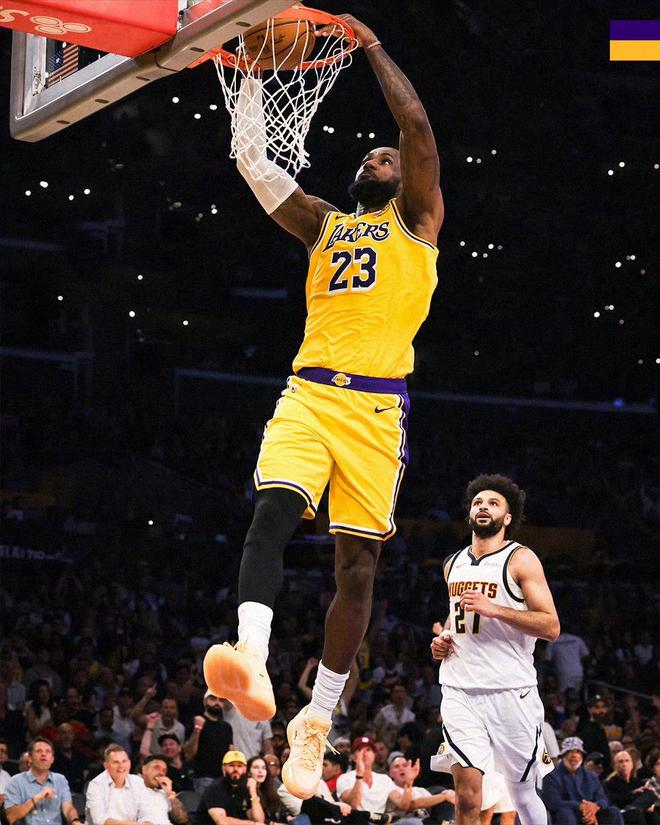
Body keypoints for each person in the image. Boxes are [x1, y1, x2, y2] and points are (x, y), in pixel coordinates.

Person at [203, 11, 444, 802]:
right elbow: (252, 158)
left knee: (356, 565)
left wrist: (370, 43)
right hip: (307, 392)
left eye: (386, 157)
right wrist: (245, 70)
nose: (377, 156)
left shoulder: (417, 222)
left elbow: (416, 126)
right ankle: (251, 655)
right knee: (271, 510)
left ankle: (317, 718)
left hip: (375, 411)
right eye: (369, 155)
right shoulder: (322, 226)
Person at [430, 474, 560, 825]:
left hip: (510, 691)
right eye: (478, 502)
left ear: (507, 517)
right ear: (470, 513)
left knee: (521, 793)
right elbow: (458, 615)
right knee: (467, 798)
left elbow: (551, 626)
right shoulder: (452, 563)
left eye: (493, 503)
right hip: (460, 690)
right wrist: (444, 639)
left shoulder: (521, 559)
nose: (483, 507)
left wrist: (495, 609)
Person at [542, 736, 624, 825]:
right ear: (563, 755)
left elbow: (602, 798)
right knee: (564, 813)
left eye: (578, 752)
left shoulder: (591, 776)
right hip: (570, 816)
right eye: (570, 752)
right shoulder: (552, 776)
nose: (574, 755)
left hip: (593, 814)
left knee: (614, 812)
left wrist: (596, 807)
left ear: (582, 756)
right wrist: (581, 806)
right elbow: (553, 802)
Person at [3, 737, 82, 825]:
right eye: (38, 751)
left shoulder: (60, 780)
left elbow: (68, 807)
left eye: (47, 751)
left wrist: (75, 820)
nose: (43, 754)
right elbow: (11, 816)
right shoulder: (16, 782)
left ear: (52, 759)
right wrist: (37, 798)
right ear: (30, 758)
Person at [336, 737, 415, 816]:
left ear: (374, 755)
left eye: (368, 750)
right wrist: (359, 775)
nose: (365, 753)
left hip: (379, 820)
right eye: (360, 750)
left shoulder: (384, 779)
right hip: (356, 820)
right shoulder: (344, 779)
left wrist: (409, 782)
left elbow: (403, 805)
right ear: (353, 757)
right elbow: (353, 804)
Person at [183, 692, 233, 793]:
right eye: (213, 699)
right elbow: (189, 753)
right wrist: (197, 729)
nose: (217, 703)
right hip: (203, 777)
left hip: (223, 779)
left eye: (221, 700)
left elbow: (230, 751)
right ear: (205, 701)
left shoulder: (226, 727)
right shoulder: (195, 721)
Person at [84, 743, 146, 825]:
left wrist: (147, 822)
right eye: (116, 762)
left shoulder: (138, 782)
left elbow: (146, 812)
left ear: (130, 763)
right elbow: (99, 820)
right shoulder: (96, 785)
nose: (121, 766)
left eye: (124, 761)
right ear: (106, 765)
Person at [196, 750, 262, 825]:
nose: (236, 769)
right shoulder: (215, 788)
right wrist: (252, 824)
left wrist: (253, 793)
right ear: (223, 768)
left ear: (245, 769)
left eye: (239, 766)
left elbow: (259, 820)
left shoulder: (245, 788)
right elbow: (221, 821)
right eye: (231, 765)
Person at [386, 755, 455, 824]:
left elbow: (431, 801)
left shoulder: (419, 790)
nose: (401, 768)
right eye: (397, 766)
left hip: (425, 820)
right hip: (400, 822)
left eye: (405, 765)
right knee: (414, 822)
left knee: (442, 792)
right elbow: (410, 805)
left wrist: (448, 794)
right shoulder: (389, 787)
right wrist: (444, 796)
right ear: (390, 773)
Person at [139, 754, 189, 825]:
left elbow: (182, 819)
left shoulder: (164, 793)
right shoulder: (133, 788)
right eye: (156, 768)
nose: (161, 773)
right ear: (144, 769)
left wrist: (170, 794)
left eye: (164, 770)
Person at [603, 751, 645, 825]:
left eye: (627, 761)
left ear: (632, 764)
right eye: (620, 762)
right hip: (621, 812)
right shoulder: (609, 783)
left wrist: (651, 805)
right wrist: (632, 794)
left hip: (638, 809)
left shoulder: (637, 782)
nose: (624, 764)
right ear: (614, 766)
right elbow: (613, 800)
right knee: (636, 813)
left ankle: (636, 806)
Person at [373, 686, 416, 751]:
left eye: (401, 692)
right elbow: (375, 730)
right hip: (384, 748)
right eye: (396, 692)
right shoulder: (384, 712)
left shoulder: (411, 716)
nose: (399, 695)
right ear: (392, 695)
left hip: (403, 750)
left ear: (405, 695)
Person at [52, 722, 89, 793]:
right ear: (57, 736)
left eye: (69, 732)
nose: (67, 736)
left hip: (80, 794)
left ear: (73, 736)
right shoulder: (52, 758)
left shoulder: (80, 756)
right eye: (63, 733)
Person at [581, 697, 613, 775]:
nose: (601, 711)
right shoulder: (588, 730)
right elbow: (590, 756)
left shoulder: (600, 729)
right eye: (597, 707)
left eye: (603, 707)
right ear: (589, 710)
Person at [246, 756, 284, 822]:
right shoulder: (246, 791)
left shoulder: (269, 788)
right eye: (256, 767)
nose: (260, 771)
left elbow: (281, 808)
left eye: (263, 768)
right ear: (248, 772)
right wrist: (252, 791)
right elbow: (258, 820)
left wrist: (288, 816)